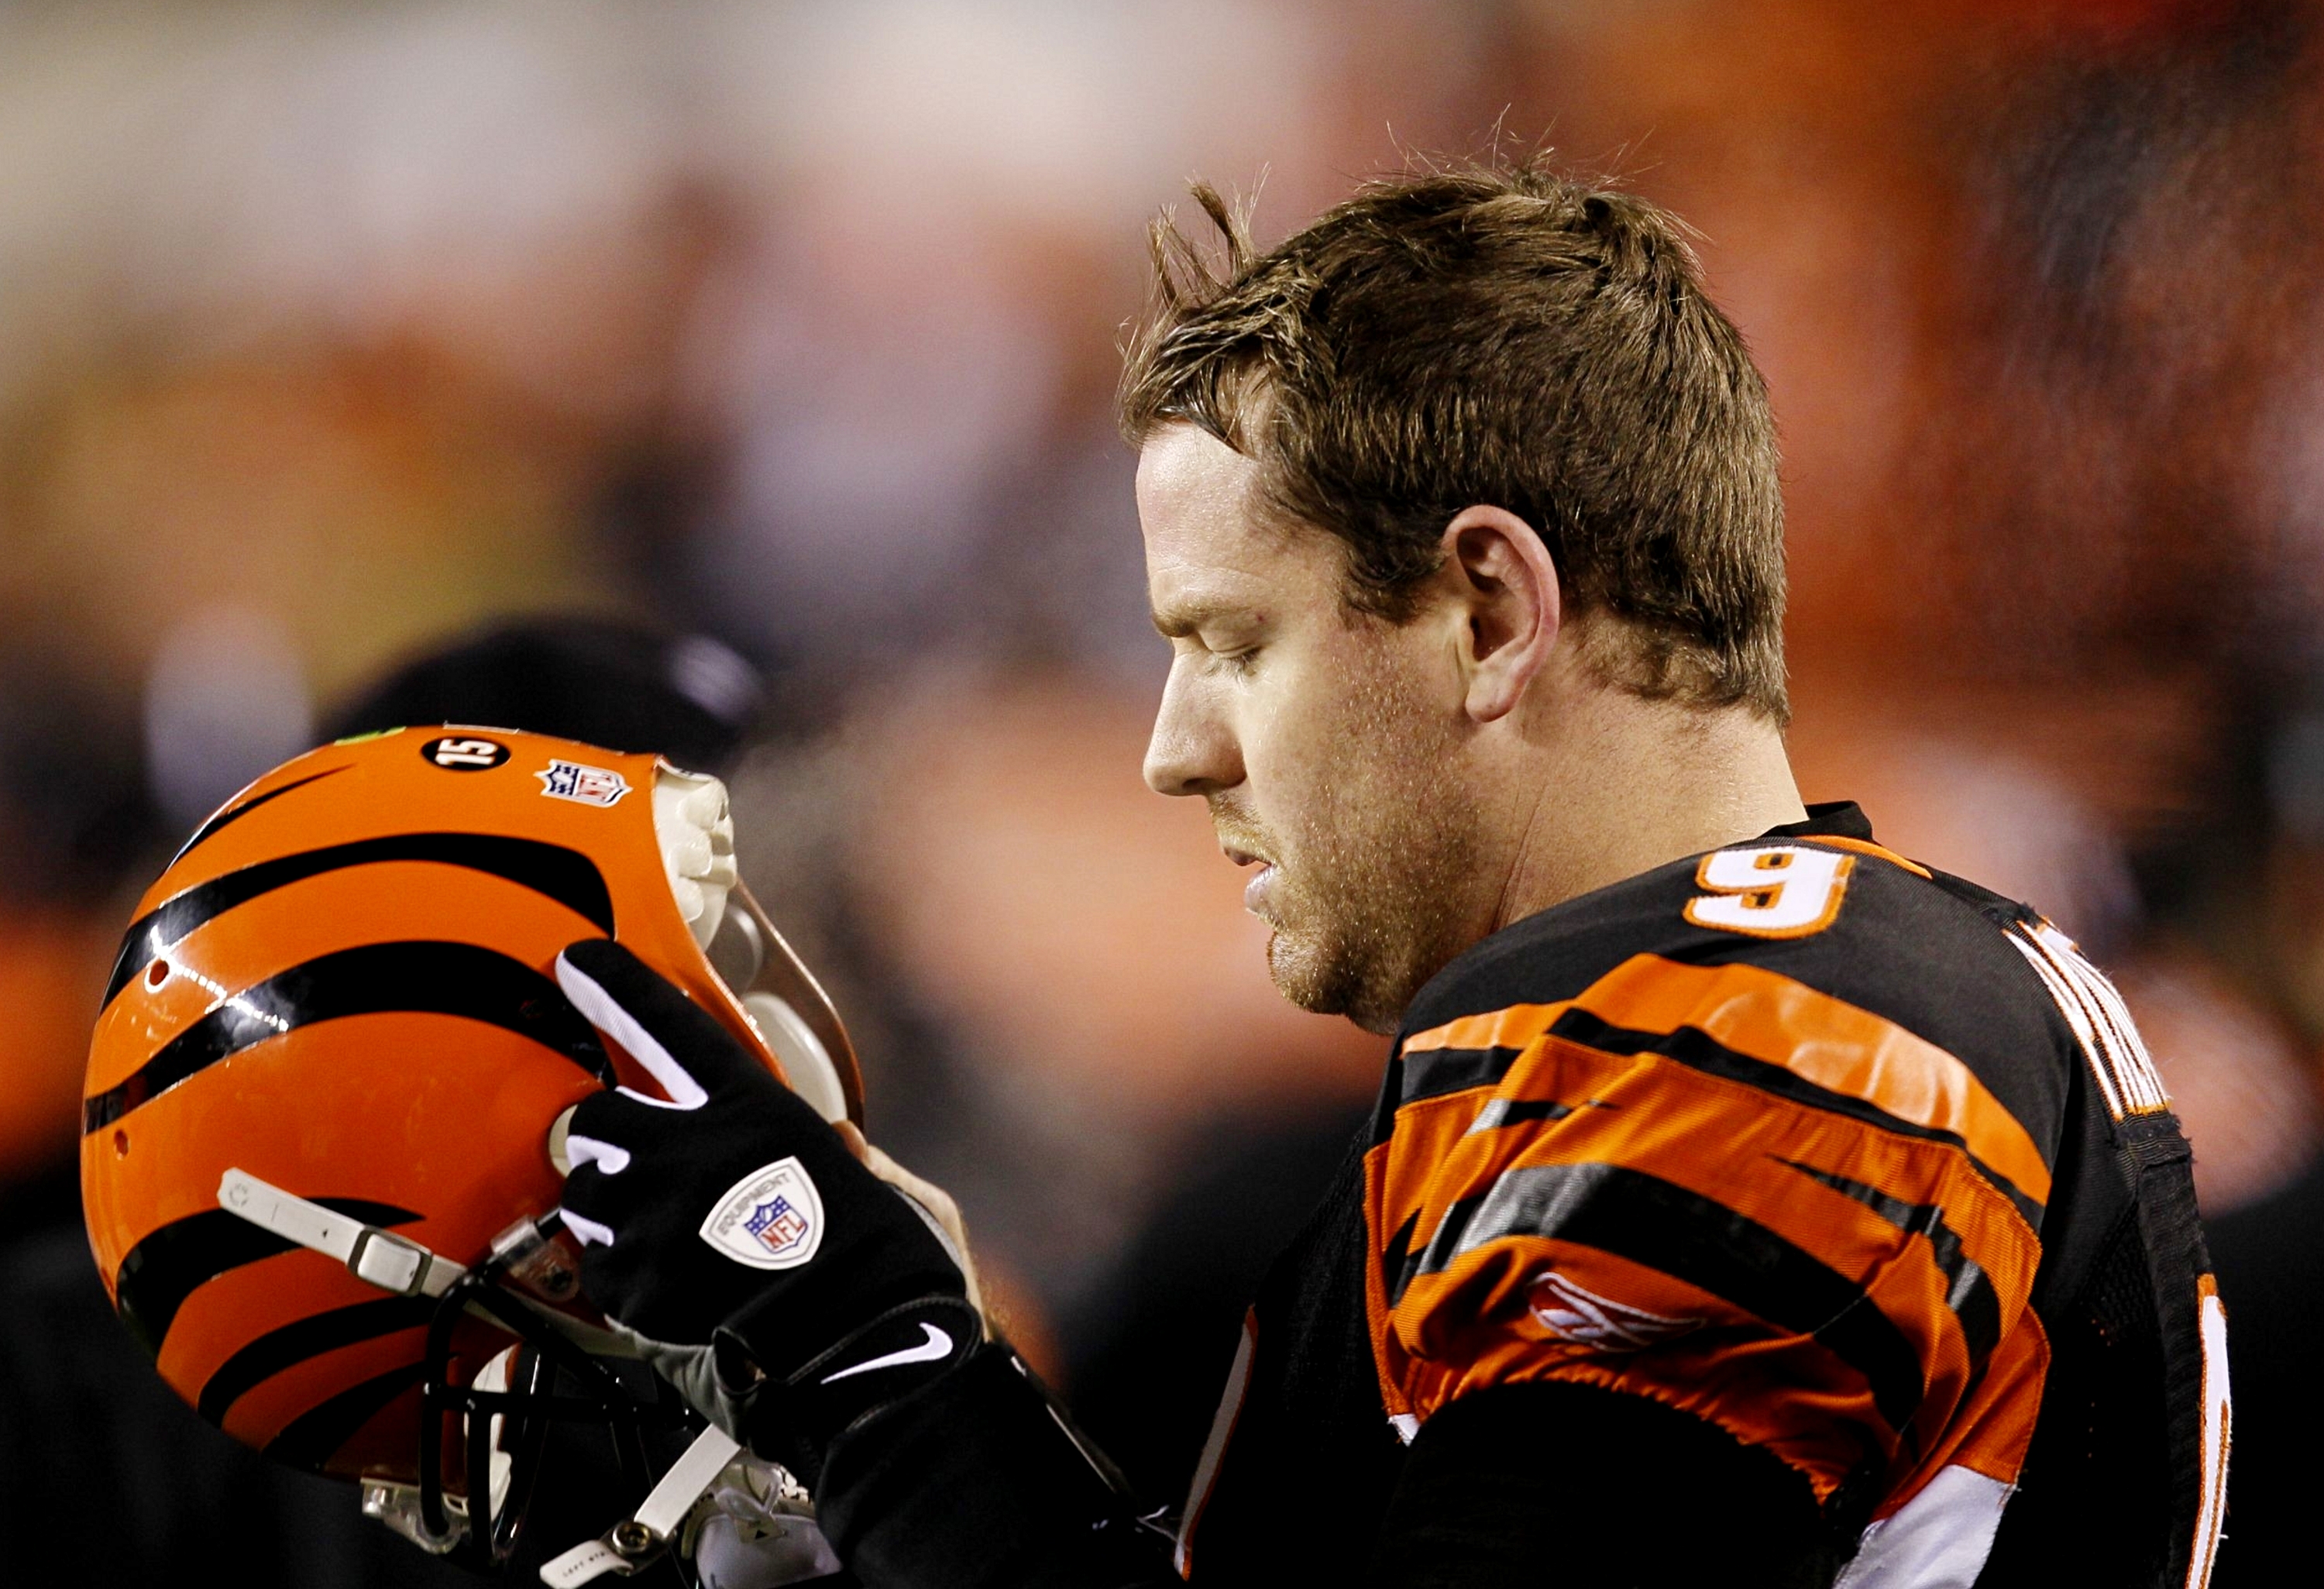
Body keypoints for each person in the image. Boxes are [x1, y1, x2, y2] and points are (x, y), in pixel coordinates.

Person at [529, 160, 2228, 1587]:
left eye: (1233, 643)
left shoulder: (1741, 1042)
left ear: (1490, 612)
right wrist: (911, 1388)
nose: (1173, 748)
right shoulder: (1835, 994)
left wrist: (871, 1370)